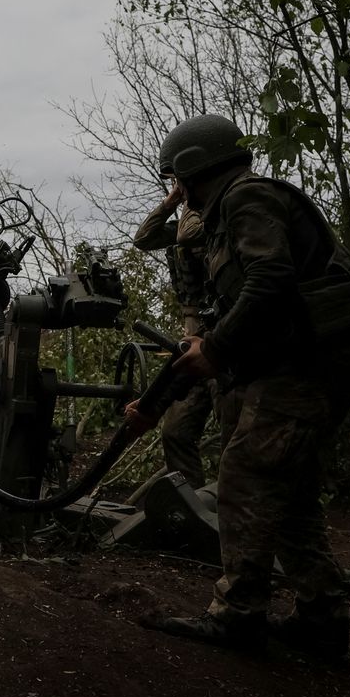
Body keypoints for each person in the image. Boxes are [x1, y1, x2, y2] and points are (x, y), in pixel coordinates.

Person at [138, 114, 350, 660]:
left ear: (195, 168)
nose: (179, 191)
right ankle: (322, 618)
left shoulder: (247, 199)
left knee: (244, 480)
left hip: (306, 368)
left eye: (179, 178)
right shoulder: (232, 210)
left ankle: (238, 615)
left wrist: (214, 350)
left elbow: (270, 281)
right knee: (290, 496)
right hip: (308, 363)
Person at [133, 174, 215, 489]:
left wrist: (191, 202)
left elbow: (187, 235)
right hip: (192, 339)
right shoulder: (184, 223)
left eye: (184, 182)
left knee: (239, 433)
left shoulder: (211, 223)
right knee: (175, 432)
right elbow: (143, 238)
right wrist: (170, 203)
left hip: (222, 339)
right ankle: (193, 506)